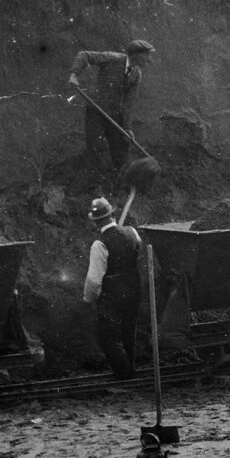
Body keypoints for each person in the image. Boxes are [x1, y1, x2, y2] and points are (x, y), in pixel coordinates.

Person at [68, 40, 155, 172]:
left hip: (114, 115)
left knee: (121, 151)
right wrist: (74, 74)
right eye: (147, 55)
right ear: (137, 54)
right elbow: (84, 55)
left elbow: (128, 103)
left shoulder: (136, 74)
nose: (149, 60)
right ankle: (91, 186)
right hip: (96, 111)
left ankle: (121, 187)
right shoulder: (112, 58)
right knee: (95, 148)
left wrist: (127, 128)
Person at [83, 196, 143, 379]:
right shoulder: (132, 232)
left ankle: (125, 374)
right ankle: (129, 369)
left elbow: (94, 280)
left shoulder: (99, 244)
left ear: (96, 222)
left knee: (107, 338)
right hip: (134, 290)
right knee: (128, 333)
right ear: (112, 214)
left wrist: (89, 298)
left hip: (112, 296)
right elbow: (138, 253)